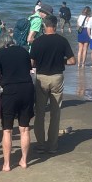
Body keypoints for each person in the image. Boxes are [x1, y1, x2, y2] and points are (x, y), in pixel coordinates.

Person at [29, 15, 76, 153]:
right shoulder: (62, 41)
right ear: (55, 25)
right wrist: (61, 61)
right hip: (57, 78)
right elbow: (72, 61)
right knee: (55, 113)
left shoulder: (37, 41)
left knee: (40, 113)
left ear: (44, 25)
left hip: (42, 78)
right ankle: (52, 145)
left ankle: (40, 144)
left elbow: (31, 63)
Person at [0, 32, 34, 171]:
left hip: (10, 90)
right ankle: (24, 161)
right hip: (27, 88)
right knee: (25, 128)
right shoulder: (23, 51)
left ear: (1, 43)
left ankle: (6, 164)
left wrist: (4, 85)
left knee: (7, 130)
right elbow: (29, 69)